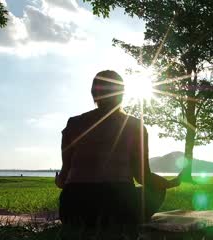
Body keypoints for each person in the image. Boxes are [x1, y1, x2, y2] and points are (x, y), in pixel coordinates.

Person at [55, 70, 181, 228]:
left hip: (73, 213)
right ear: (122, 94)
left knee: (73, 198)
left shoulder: (73, 123)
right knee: (156, 190)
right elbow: (143, 177)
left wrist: (59, 180)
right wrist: (170, 183)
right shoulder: (135, 126)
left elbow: (63, 180)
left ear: (94, 93)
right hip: (119, 211)